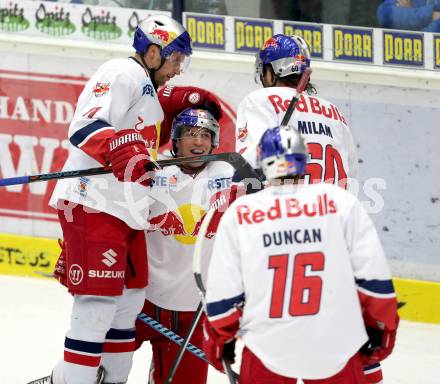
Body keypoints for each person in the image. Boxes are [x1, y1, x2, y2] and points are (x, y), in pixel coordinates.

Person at [43, 14, 221, 384]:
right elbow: (86, 125)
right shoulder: (121, 72)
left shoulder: (148, 95)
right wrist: (118, 150)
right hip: (95, 203)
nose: (178, 69)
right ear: (153, 52)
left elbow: (136, 153)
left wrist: (139, 160)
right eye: (175, 60)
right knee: (97, 305)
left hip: (126, 213)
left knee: (128, 306)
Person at [203, 126, 399, 384]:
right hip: (335, 346)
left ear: (262, 162)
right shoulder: (340, 202)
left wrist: (220, 339)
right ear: (304, 159)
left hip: (266, 348)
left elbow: (223, 296)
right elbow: (374, 282)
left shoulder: (241, 212)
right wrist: (381, 329)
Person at [134, 107, 234, 384]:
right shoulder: (151, 170)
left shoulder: (230, 173)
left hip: (194, 310)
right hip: (139, 300)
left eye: (205, 135)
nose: (198, 142)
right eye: (190, 134)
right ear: (175, 140)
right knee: (101, 367)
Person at [235, 34, 358, 194]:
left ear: (271, 73)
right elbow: (352, 175)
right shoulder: (334, 112)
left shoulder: (259, 101)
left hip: (285, 210)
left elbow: (250, 166)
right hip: (332, 212)